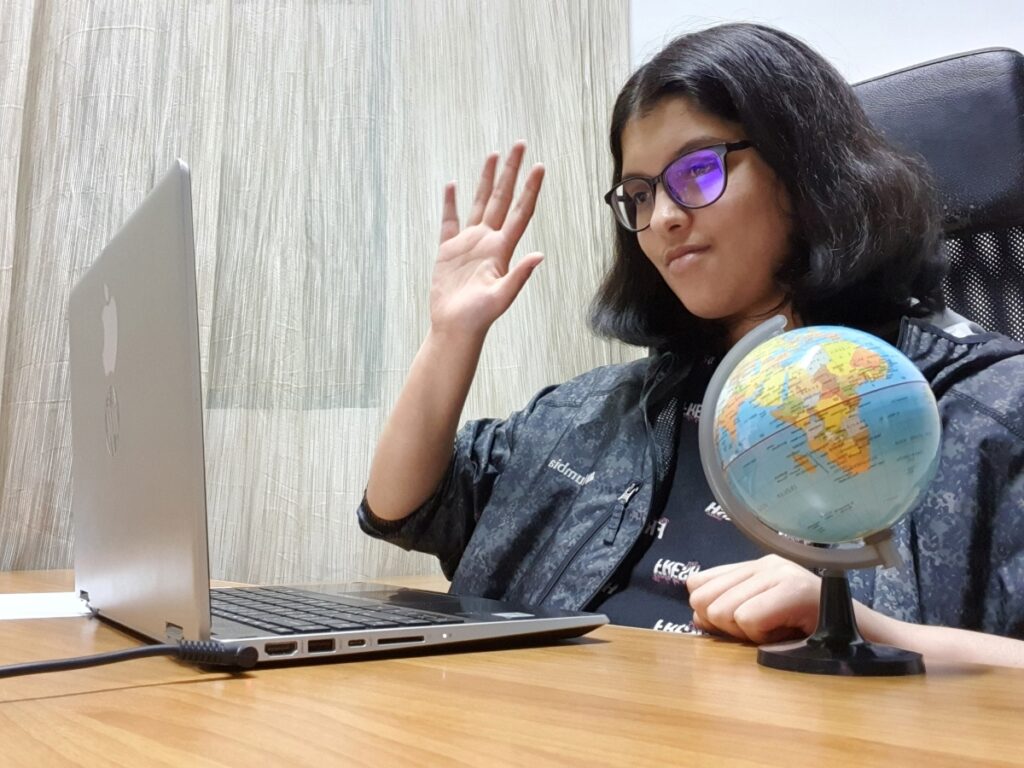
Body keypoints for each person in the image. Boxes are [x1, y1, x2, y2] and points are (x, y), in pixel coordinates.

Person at [358, 23, 1024, 667]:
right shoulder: (605, 410)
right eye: (640, 194)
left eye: (699, 171)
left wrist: (864, 629)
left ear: (802, 168)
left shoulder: (987, 409)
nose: (665, 218)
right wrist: (453, 333)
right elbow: (406, 507)